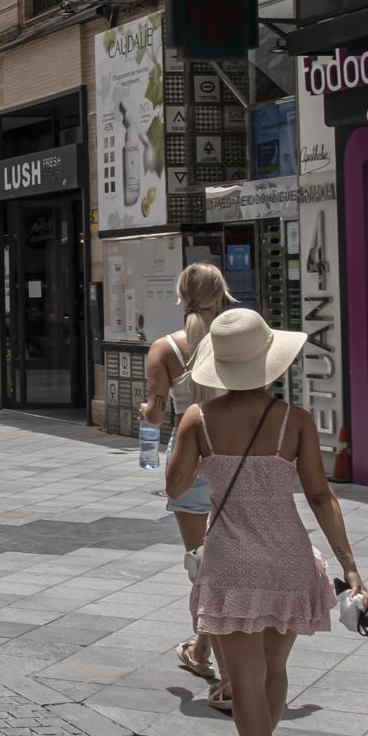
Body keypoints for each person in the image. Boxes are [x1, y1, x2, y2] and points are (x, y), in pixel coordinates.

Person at [166, 308, 368, 736]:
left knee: (245, 681)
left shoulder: (200, 419)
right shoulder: (294, 421)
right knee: (274, 670)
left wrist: (183, 427)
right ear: (269, 363)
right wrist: (351, 566)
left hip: (232, 565)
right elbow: (322, 497)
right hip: (290, 560)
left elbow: (174, 487)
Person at [139, 263, 236, 710]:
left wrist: (147, 413)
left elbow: (157, 416)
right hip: (241, 456)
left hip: (192, 457)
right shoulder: (242, 337)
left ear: (181, 296)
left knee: (205, 567)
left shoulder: (165, 349)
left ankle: (230, 675)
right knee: (231, 566)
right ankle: (202, 651)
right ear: (223, 294)